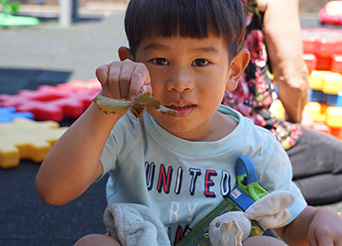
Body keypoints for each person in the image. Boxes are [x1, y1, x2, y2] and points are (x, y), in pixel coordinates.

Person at [35, 0, 342, 245]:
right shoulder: (127, 129)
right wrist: (105, 107)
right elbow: (53, 190)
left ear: (234, 70)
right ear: (132, 64)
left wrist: (316, 219)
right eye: (160, 61)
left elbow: (292, 226)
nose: (179, 83)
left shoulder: (258, 146)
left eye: (200, 62)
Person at [223, 0, 342, 206]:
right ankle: (265, 205)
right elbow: (292, 79)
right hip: (245, 128)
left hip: (170, 122)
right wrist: (296, 119)